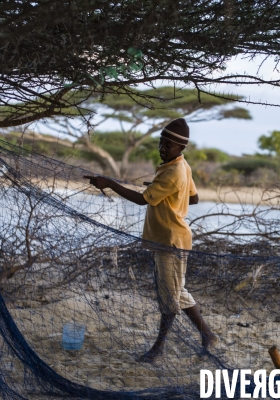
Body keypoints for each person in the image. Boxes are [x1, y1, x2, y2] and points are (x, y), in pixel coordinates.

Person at [84, 118, 217, 362]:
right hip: (165, 240)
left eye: (169, 145)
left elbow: (142, 200)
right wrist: (163, 190)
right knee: (178, 291)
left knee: (169, 299)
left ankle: (158, 349)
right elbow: (194, 198)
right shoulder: (180, 166)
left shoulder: (175, 171)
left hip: (171, 242)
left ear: (181, 149)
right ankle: (207, 335)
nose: (162, 149)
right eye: (161, 143)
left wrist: (109, 183)